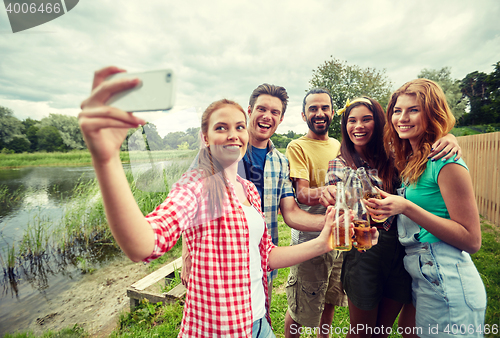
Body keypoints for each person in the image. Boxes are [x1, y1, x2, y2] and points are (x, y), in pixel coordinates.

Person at [78, 66, 343, 338]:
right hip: (220, 325)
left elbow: (267, 254)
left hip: (259, 321)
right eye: (221, 127)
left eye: (238, 127)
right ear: (205, 137)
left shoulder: (252, 186)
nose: (233, 134)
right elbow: (146, 242)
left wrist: (325, 239)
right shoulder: (198, 184)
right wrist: (107, 159)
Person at [321, 96, 463, 338]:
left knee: (382, 331)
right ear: (345, 127)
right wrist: (334, 195)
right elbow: (343, 206)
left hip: (402, 249)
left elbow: (425, 145)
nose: (359, 126)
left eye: (367, 119)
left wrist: (449, 137)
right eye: (352, 121)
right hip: (365, 251)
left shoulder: (396, 156)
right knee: (362, 332)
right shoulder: (339, 164)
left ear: (379, 122)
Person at [181, 84, 329, 302]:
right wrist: (187, 254)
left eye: (274, 112)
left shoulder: (280, 162)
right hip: (216, 261)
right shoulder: (222, 149)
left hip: (260, 261)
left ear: (281, 119)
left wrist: (332, 224)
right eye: (262, 109)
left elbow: (291, 214)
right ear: (250, 111)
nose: (267, 116)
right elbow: (191, 202)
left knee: (259, 316)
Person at [364, 79, 486, 337]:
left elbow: (472, 240)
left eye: (414, 110)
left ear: (432, 112)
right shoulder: (413, 158)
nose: (402, 118)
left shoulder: (446, 162)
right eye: (397, 111)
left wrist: (405, 207)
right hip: (422, 273)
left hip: (446, 275)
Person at [284, 88, 348, 338]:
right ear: (303, 115)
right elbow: (301, 193)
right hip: (310, 236)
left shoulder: (339, 144)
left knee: (330, 297)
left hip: (339, 236)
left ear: (332, 113)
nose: (319, 113)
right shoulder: (297, 146)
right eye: (313, 108)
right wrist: (327, 190)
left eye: (324, 108)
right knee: (300, 308)